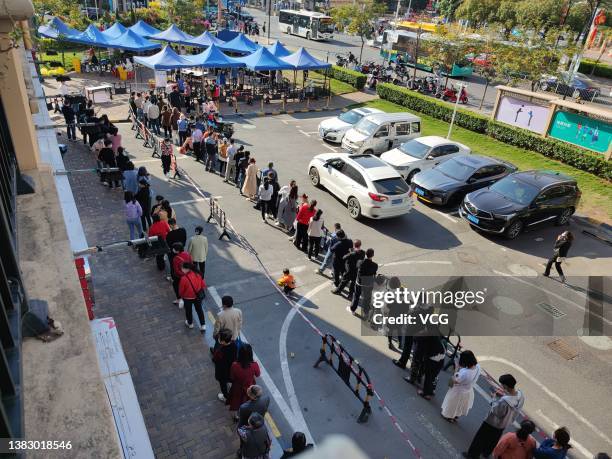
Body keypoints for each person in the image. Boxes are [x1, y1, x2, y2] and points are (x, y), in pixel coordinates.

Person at [463, 374, 525, 458]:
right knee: (493, 439)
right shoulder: (520, 396)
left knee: (480, 438)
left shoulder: (505, 402)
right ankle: (486, 452)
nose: (501, 386)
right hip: (505, 423)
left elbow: (496, 411)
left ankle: (472, 455)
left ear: (506, 386)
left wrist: (493, 398)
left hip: (492, 422)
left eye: (502, 385)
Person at [441, 350, 481, 422]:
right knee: (460, 406)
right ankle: (456, 416)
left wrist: (456, 368)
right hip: (468, 390)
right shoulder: (478, 367)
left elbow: (455, 380)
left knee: (452, 405)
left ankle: (449, 417)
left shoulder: (465, 373)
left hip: (458, 391)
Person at [228, 344, 261, 412]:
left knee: (236, 402)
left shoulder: (234, 365)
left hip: (237, 387)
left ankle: (236, 416)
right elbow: (258, 374)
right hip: (250, 387)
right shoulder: (254, 365)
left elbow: (232, 377)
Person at [178, 262, 207, 331]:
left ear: (186, 269)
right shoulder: (197, 274)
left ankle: (190, 323)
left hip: (187, 298)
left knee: (188, 311)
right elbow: (203, 285)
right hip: (197, 297)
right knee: (199, 310)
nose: (181, 270)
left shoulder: (183, 278)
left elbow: (181, 290)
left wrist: (181, 297)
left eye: (182, 268)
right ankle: (203, 325)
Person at [350, 248, 378, 315]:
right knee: (367, 299)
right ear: (373, 255)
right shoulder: (375, 265)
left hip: (359, 283)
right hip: (368, 284)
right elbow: (374, 273)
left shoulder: (360, 262)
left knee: (356, 296)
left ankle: (353, 309)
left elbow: (357, 267)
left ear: (366, 254)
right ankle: (366, 312)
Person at [213, 329, 237, 402]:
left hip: (222, 372)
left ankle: (226, 396)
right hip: (231, 369)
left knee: (223, 384)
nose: (218, 338)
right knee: (231, 380)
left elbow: (215, 359)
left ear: (223, 341)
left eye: (219, 338)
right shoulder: (234, 345)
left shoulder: (220, 350)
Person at [170, 242, 193, 306]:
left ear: (177, 250)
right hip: (189, 274)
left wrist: (183, 274)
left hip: (179, 277)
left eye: (174, 249)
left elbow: (176, 270)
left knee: (176, 286)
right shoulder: (187, 254)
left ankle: (179, 299)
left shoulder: (175, 259)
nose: (173, 250)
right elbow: (191, 263)